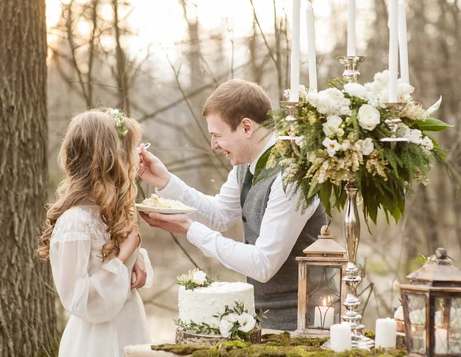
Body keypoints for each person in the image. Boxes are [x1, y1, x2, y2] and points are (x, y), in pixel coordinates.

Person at [138, 79, 330, 330]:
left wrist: (190, 229)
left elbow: (262, 264)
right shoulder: (245, 167)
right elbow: (219, 214)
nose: (213, 145)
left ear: (246, 127)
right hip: (264, 318)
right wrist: (166, 182)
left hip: (302, 325)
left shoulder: (291, 176)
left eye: (217, 135)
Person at [38, 109, 152, 356]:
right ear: (110, 157)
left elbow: (105, 261)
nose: (139, 155)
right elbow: (78, 300)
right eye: (130, 148)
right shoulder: (74, 222)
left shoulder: (113, 211)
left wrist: (137, 258)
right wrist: (123, 257)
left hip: (130, 326)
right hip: (98, 341)